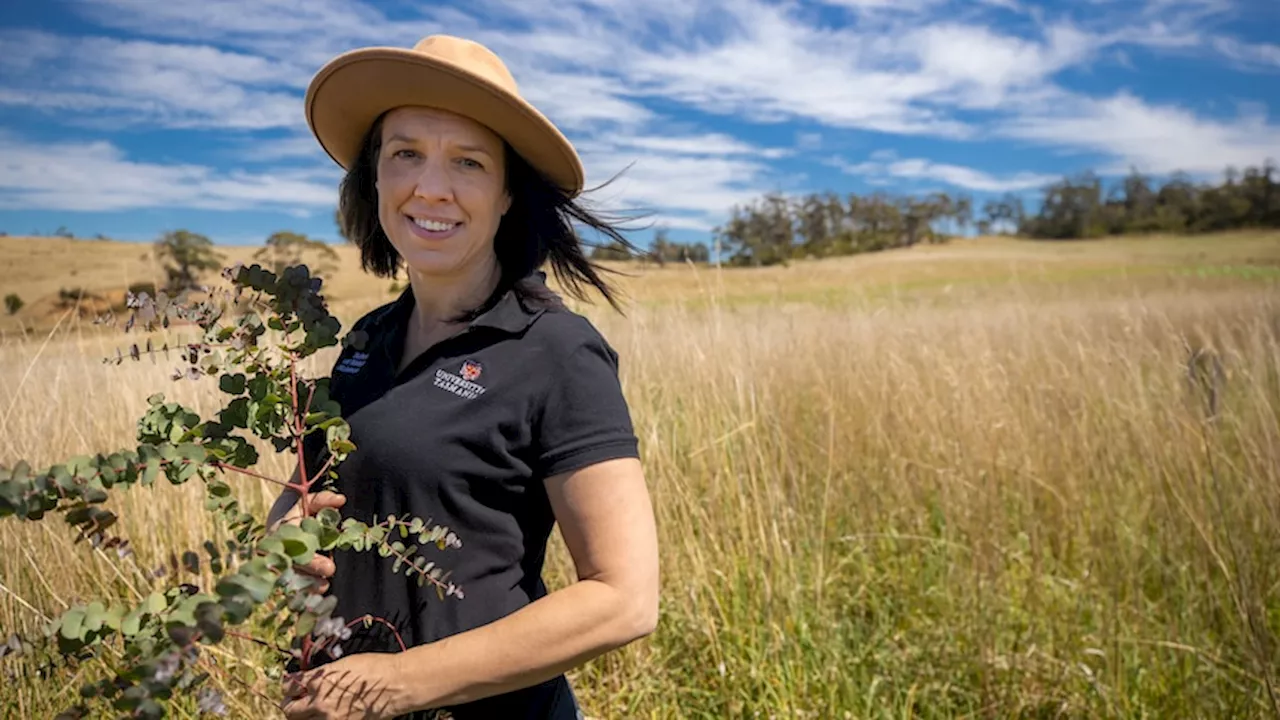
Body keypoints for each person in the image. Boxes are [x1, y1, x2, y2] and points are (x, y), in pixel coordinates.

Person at [265, 34, 660, 720]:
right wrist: (281, 540)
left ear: (508, 194)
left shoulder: (555, 349)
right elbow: (316, 496)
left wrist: (402, 684)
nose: (431, 187)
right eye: (406, 154)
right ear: (376, 178)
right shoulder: (364, 340)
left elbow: (624, 598)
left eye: (468, 162)